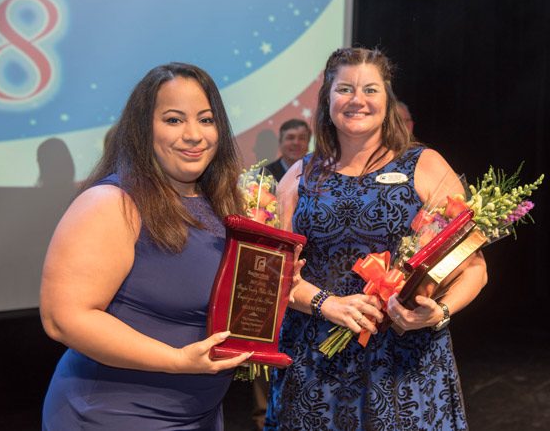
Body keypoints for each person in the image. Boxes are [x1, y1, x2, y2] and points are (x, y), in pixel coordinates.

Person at [265, 48, 488, 430]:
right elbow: (273, 273)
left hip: (406, 361)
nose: (357, 100)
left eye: (370, 89)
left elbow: (474, 267)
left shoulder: (426, 165)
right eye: (345, 89)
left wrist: (441, 311)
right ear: (327, 99)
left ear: (386, 99)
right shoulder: (299, 176)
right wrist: (326, 303)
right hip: (315, 363)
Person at [40, 62, 253, 430]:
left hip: (198, 414)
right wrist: (177, 360)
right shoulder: (112, 202)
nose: (193, 135)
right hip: (112, 415)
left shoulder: (217, 201)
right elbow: (64, 319)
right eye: (173, 120)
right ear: (143, 128)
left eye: (205, 119)